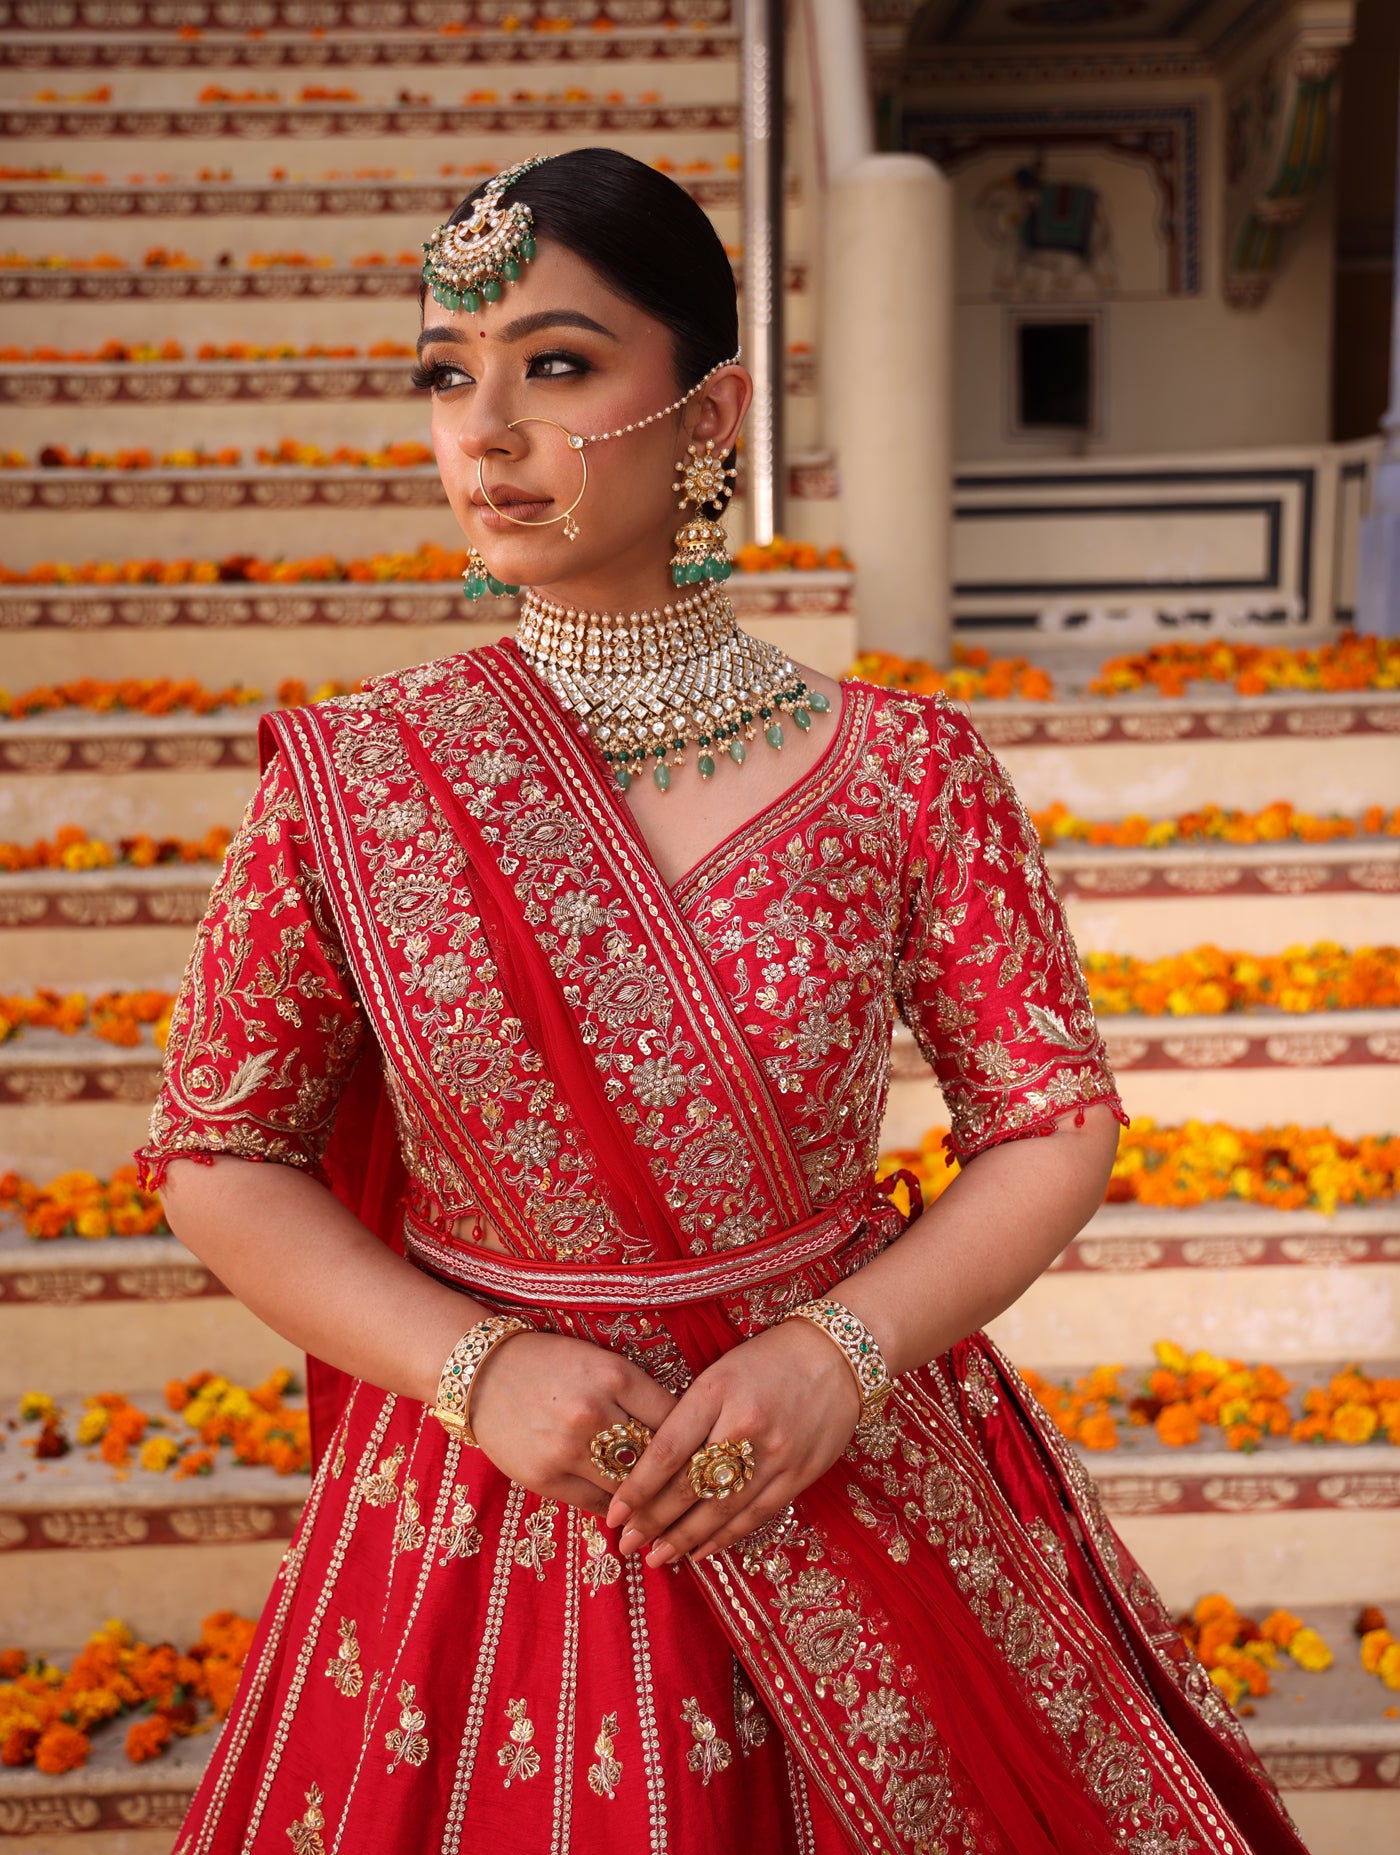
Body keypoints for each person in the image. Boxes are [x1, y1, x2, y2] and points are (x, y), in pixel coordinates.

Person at [141, 148, 1307, 1854]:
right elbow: (216, 1150)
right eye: (446, 378)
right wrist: (476, 1370)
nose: (486, 431)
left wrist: (843, 1355)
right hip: (494, 1494)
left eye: (555, 365)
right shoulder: (357, 781)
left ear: (708, 413)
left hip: (853, 1462)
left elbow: (1051, 1119)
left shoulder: (907, 771)